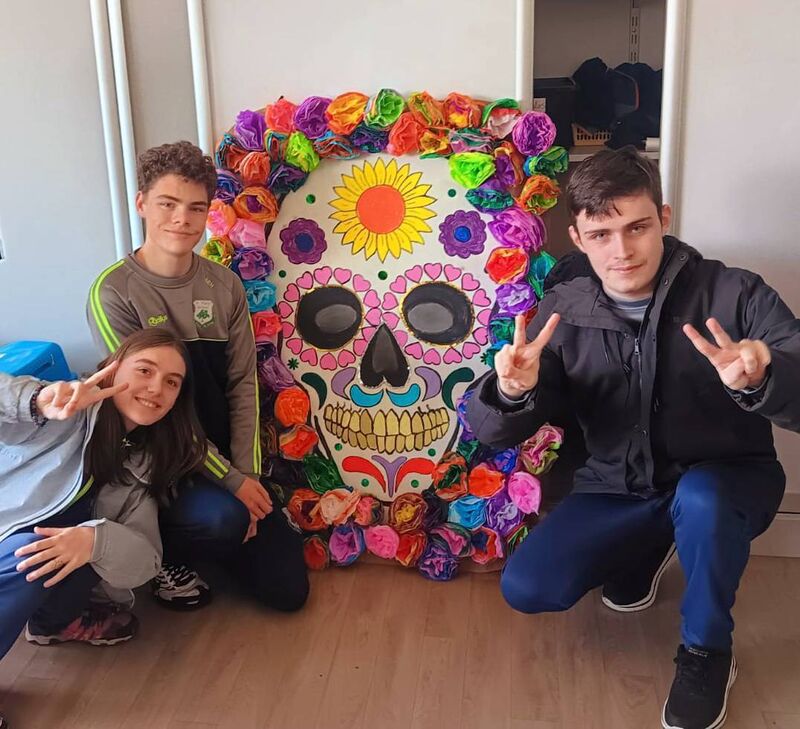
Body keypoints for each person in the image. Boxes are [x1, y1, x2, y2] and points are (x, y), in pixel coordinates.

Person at [466, 146, 800, 729]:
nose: (621, 251)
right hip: (620, 484)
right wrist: (513, 392)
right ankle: (650, 545)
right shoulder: (561, 313)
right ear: (576, 235)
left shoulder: (735, 293)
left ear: (664, 219)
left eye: (637, 227)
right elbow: (490, 430)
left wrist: (764, 375)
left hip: (727, 480)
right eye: (600, 234)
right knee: (528, 587)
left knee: (702, 499)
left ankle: (706, 652)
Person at [86, 140, 308, 612]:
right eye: (167, 204)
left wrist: (246, 477)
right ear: (143, 203)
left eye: (195, 208)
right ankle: (167, 554)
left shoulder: (224, 285)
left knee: (288, 592)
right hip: (158, 462)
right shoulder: (113, 291)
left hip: (221, 461)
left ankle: (218, 535)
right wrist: (231, 484)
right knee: (224, 519)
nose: (181, 219)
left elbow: (243, 384)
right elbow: (148, 406)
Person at [1, 329, 205, 662]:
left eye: (172, 382)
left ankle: (53, 623)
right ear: (113, 368)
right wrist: (36, 400)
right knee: (30, 555)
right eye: (144, 370)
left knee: (71, 546)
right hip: (9, 545)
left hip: (34, 573)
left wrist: (95, 541)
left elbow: (146, 561)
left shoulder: (142, 463)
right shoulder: (61, 409)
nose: (156, 388)